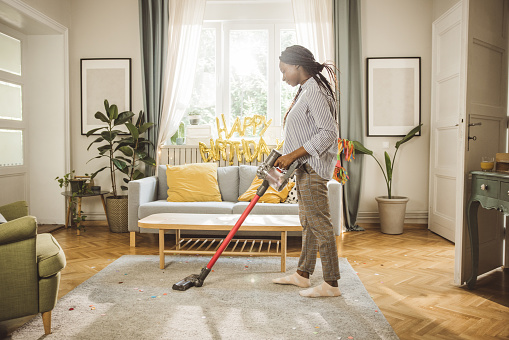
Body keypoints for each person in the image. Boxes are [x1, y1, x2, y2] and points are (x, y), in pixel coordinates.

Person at [272, 45, 341, 298]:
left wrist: (292, 155)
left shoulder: (314, 90)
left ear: (297, 66)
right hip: (303, 166)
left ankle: (331, 283)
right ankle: (303, 274)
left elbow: (328, 133)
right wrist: (284, 156)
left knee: (320, 224)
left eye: (284, 71)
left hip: (313, 167)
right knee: (308, 223)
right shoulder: (306, 90)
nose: (283, 77)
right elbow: (303, 133)